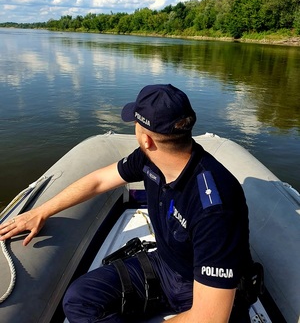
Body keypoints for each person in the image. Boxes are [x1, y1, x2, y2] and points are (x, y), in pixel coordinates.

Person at [0, 84, 253, 323]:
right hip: (164, 264)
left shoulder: (215, 207)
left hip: (198, 285)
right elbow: (99, 181)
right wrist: (42, 210)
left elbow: (209, 317)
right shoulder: (148, 159)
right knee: (79, 300)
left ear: (147, 139)